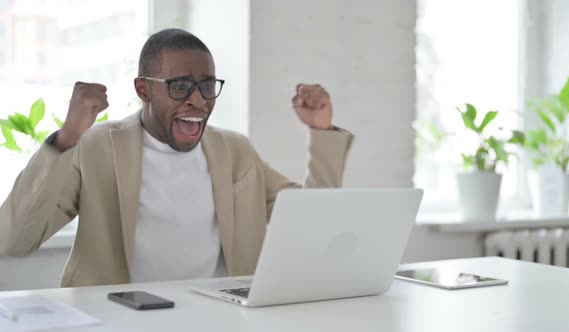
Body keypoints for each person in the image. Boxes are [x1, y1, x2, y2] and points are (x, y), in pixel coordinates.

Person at [0, 28, 353, 287]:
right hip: (117, 320)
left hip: (223, 320)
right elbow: (14, 239)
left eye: (207, 86)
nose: (198, 101)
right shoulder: (95, 147)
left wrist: (321, 132)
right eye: (180, 86)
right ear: (144, 89)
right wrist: (67, 138)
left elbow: (316, 221)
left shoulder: (235, 151)